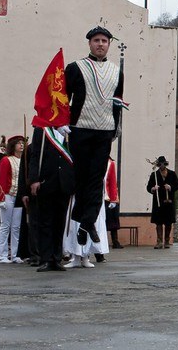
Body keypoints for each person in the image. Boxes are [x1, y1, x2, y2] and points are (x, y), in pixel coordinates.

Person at [65, 26, 124, 246]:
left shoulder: (117, 71)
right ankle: (83, 220)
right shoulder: (75, 67)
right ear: (89, 43)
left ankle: (87, 221)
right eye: (96, 40)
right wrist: (63, 124)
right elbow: (64, 98)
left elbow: (117, 102)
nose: (100, 44)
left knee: (97, 179)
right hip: (80, 127)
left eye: (104, 41)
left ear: (109, 44)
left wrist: (117, 128)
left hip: (104, 130)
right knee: (81, 177)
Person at [25, 127, 73, 272]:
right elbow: (35, 155)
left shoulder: (70, 129)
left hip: (64, 183)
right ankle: (45, 259)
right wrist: (34, 179)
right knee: (45, 223)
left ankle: (56, 259)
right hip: (46, 182)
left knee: (60, 223)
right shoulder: (42, 129)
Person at [64, 157, 116, 267]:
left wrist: (113, 198)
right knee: (75, 226)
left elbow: (109, 181)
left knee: (89, 226)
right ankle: (76, 258)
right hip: (78, 196)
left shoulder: (104, 163)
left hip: (92, 197)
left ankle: (86, 257)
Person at [0, 135, 26, 264]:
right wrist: (1, 198)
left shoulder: (24, 161)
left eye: (22, 143)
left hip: (18, 196)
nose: (22, 145)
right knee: (5, 226)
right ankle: (2, 255)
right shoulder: (6, 160)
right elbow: (1, 180)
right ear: (13, 146)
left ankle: (15, 254)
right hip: (7, 195)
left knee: (16, 227)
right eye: (19, 143)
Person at [147, 156, 178, 249]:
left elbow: (177, 185)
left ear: (165, 164)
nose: (161, 166)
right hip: (158, 202)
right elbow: (149, 187)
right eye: (160, 164)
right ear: (158, 165)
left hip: (169, 202)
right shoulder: (154, 175)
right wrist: (153, 188)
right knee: (158, 222)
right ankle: (159, 241)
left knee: (168, 222)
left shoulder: (172, 174)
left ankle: (166, 241)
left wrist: (170, 187)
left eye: (163, 164)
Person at [103, 158, 123, 250]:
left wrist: (114, 199)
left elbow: (112, 182)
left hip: (109, 198)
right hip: (99, 198)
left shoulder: (110, 163)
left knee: (113, 222)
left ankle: (115, 240)